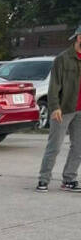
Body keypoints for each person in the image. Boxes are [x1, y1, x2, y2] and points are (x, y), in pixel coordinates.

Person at [37, 22, 81, 192]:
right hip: (63, 109)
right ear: (79, 37)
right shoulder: (62, 59)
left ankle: (69, 179)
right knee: (54, 146)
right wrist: (54, 107)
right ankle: (43, 179)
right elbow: (54, 86)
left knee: (78, 147)